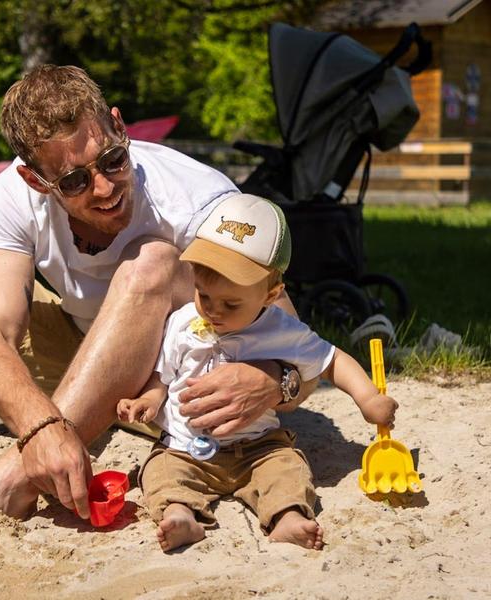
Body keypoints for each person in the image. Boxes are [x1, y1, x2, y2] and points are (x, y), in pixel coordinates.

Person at [0, 65, 316, 521]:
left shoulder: (197, 201)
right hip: (83, 356)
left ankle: (19, 476)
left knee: (153, 262)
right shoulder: (13, 194)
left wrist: (272, 378)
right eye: (74, 181)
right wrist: (40, 426)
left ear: (120, 127)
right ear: (36, 180)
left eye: (112, 160)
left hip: (173, 384)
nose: (105, 188)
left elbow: (297, 342)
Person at [116, 194, 398, 552]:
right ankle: (180, 514)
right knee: (161, 472)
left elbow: (333, 360)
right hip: (186, 448)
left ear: (271, 294)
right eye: (204, 296)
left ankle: (287, 518)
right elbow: (164, 375)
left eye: (231, 303)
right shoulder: (185, 320)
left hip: (258, 448)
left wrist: (368, 398)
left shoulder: (282, 331)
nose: (213, 311)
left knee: (287, 469)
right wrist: (149, 400)